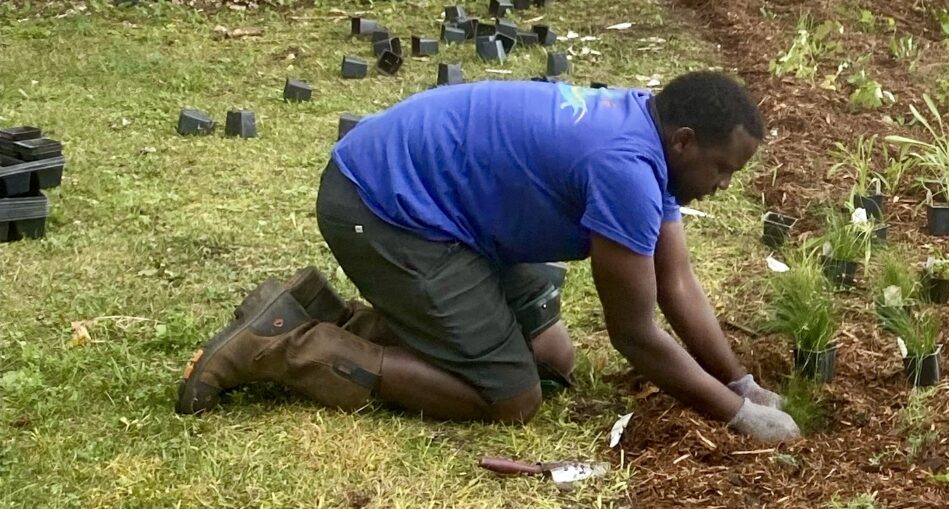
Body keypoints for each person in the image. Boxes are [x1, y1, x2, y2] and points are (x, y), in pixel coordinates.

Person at [175, 71, 801, 442]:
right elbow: (635, 335)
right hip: (384, 205)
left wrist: (740, 382)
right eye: (722, 168)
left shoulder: (649, 133)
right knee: (508, 396)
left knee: (552, 354)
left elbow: (677, 283)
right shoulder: (626, 167)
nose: (723, 184)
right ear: (685, 141)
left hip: (446, 209)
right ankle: (283, 347)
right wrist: (737, 418)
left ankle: (317, 314)